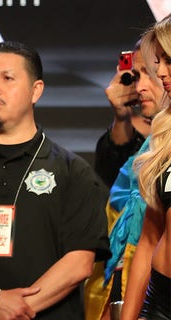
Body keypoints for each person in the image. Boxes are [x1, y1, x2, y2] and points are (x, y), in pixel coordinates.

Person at [0, 41, 109, 320]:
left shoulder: (72, 170)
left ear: (36, 90)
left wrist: (16, 308)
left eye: (7, 78)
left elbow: (79, 262)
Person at [84, 35, 165, 320]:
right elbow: (111, 169)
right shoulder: (152, 145)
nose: (139, 85)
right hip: (123, 286)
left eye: (150, 72)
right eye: (137, 73)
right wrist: (121, 117)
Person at [122, 17, 171, 319]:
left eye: (169, 60)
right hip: (159, 301)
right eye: (160, 62)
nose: (162, 72)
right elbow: (150, 239)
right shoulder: (165, 135)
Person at [94, 40, 163, 187]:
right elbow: (114, 181)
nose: (139, 88)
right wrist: (121, 118)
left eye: (150, 74)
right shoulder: (149, 143)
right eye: (137, 76)